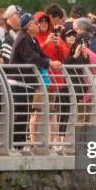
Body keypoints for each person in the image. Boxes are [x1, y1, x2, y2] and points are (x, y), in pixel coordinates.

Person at [10, 13, 62, 150]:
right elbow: (31, 57)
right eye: (34, 23)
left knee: (25, 113)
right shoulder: (23, 39)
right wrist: (49, 63)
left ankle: (20, 146)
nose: (38, 24)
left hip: (27, 82)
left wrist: (51, 62)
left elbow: (40, 54)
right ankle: (16, 147)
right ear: (28, 27)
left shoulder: (32, 39)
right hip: (19, 82)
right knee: (21, 114)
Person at [34, 12, 70, 146]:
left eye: (46, 21)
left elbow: (64, 56)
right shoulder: (34, 37)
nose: (44, 23)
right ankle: (34, 142)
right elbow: (35, 54)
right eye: (41, 21)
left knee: (52, 112)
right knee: (37, 112)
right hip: (39, 80)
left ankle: (53, 143)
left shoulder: (55, 37)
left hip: (54, 80)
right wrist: (46, 42)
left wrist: (57, 45)